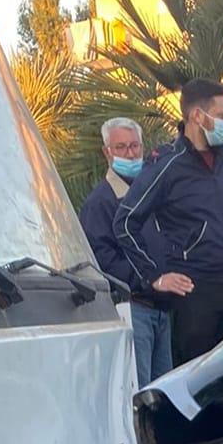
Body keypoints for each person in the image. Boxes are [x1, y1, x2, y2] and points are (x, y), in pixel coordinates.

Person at [113, 78, 223, 365]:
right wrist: (154, 276)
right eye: (221, 115)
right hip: (194, 295)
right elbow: (125, 223)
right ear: (197, 116)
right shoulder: (168, 165)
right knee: (197, 382)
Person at [79, 117, 172, 386]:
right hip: (133, 307)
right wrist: (149, 278)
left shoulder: (150, 193)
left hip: (162, 308)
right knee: (139, 392)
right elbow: (102, 259)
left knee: (163, 392)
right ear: (107, 152)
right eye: (121, 147)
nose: (130, 154)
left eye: (134, 146)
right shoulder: (101, 201)